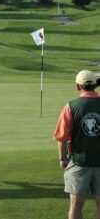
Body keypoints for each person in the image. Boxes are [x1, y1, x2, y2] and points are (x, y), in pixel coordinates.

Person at [54, 70, 100, 219]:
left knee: (76, 205)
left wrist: (62, 158)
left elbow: (61, 137)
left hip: (79, 162)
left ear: (77, 86)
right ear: (95, 86)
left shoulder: (71, 106)